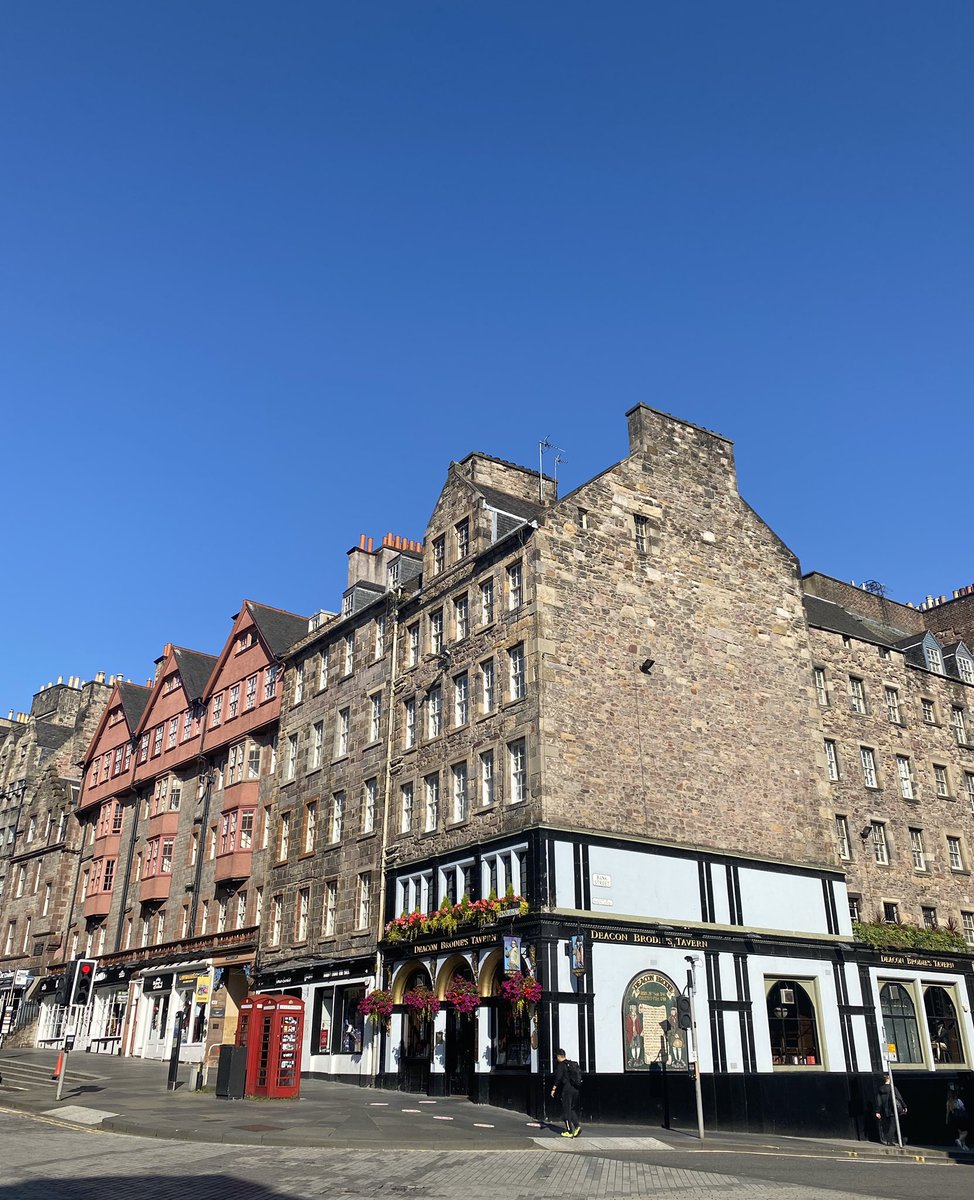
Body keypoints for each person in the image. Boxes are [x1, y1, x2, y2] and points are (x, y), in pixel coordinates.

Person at [550, 1048, 581, 1138]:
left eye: (556, 1057)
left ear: (559, 1057)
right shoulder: (571, 1064)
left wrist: (553, 1089)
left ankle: (569, 1131)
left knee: (566, 1111)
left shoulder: (561, 1065)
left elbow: (558, 1078)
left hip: (567, 1090)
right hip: (575, 1089)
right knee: (571, 1109)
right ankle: (577, 1127)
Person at [875, 1072, 906, 1145]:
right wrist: (904, 1106)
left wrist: (877, 1111)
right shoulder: (893, 1088)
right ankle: (890, 1140)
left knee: (891, 1124)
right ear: (889, 1079)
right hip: (893, 1108)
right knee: (894, 1125)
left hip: (885, 1109)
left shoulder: (880, 1089)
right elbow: (899, 1098)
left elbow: (879, 1101)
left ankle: (900, 1140)